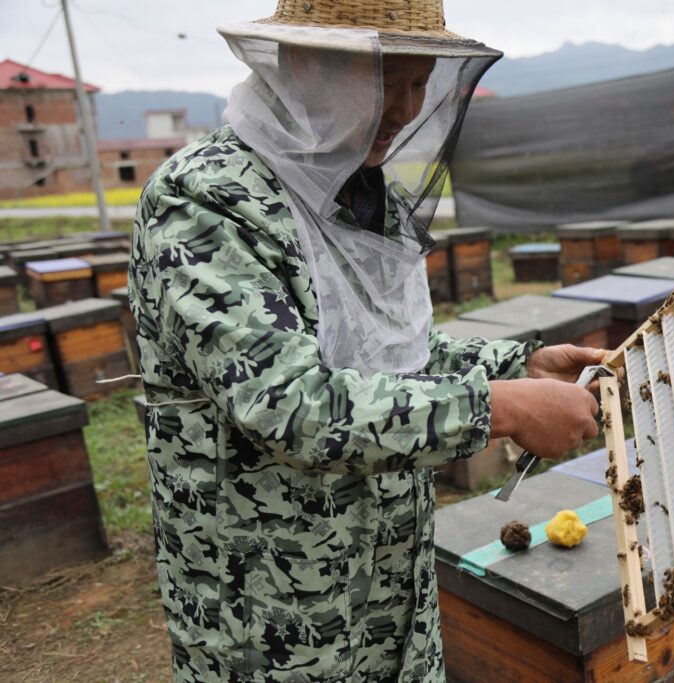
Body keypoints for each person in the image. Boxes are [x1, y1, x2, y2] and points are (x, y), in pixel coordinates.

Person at [127, 2, 603, 681]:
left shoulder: (357, 191)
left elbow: (385, 355)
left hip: (394, 592)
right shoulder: (203, 202)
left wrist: (517, 364)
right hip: (274, 619)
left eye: (418, 85)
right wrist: (499, 406)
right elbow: (288, 404)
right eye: (386, 82)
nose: (403, 109)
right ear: (299, 65)